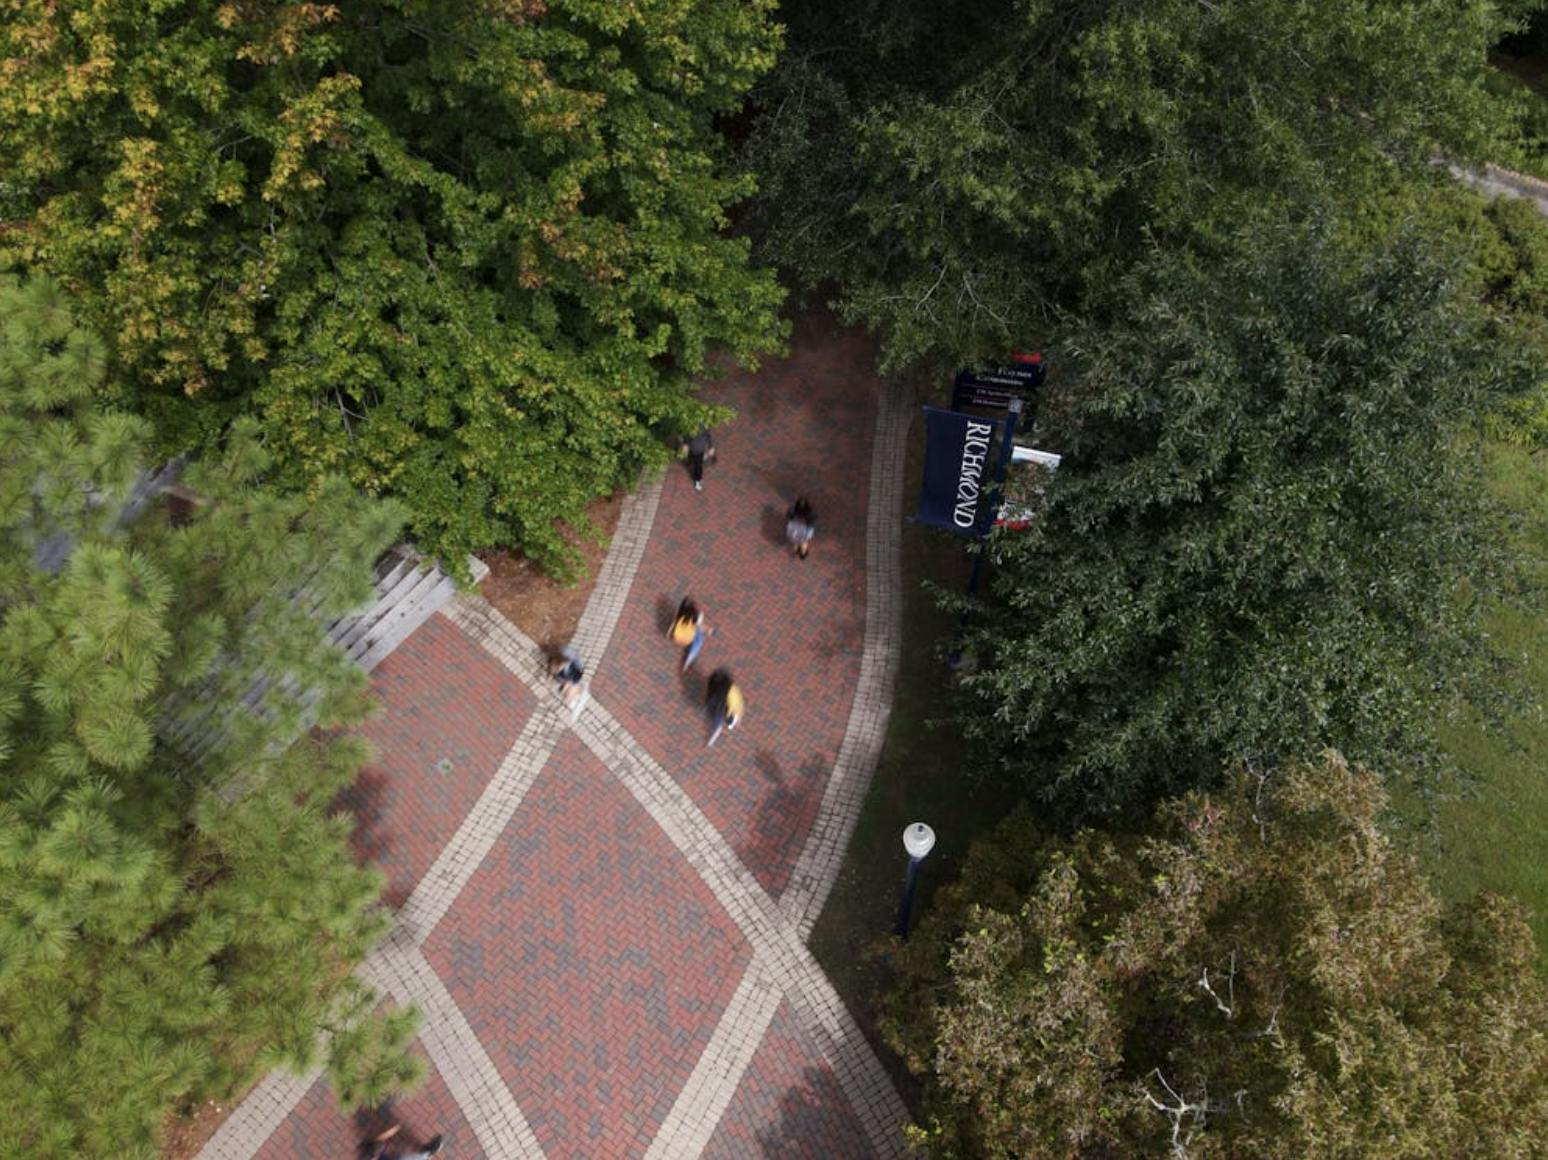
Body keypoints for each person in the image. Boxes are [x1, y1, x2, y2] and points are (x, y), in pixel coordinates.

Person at [668, 597, 712, 671]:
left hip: (676, 637)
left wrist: (669, 633)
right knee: (700, 638)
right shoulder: (697, 616)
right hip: (687, 639)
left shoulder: (680, 615)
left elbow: (673, 624)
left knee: (693, 627)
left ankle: (688, 659)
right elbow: (701, 627)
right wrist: (709, 630)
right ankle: (688, 660)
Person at [705, 667, 744, 747]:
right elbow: (737, 705)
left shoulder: (731, 691)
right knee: (717, 716)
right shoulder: (733, 693)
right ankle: (716, 729)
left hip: (718, 702)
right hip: (720, 704)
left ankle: (716, 729)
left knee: (716, 715)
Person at [363, 1123, 443, 1159]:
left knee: (379, 1147)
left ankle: (373, 1150)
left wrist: (395, 1128)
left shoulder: (422, 1155)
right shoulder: (425, 1155)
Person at [550, 645, 588, 717]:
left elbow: (571, 681)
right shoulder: (561, 673)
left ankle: (575, 695)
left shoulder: (574, 670)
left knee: (570, 686)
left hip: (573, 673)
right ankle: (574, 696)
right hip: (569, 673)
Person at [682, 427, 716, 491]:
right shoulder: (692, 426)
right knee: (697, 465)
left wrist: (711, 447)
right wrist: (685, 444)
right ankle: (698, 480)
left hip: (700, 450)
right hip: (694, 448)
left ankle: (698, 480)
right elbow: (686, 436)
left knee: (698, 466)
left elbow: (708, 436)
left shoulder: (703, 426)